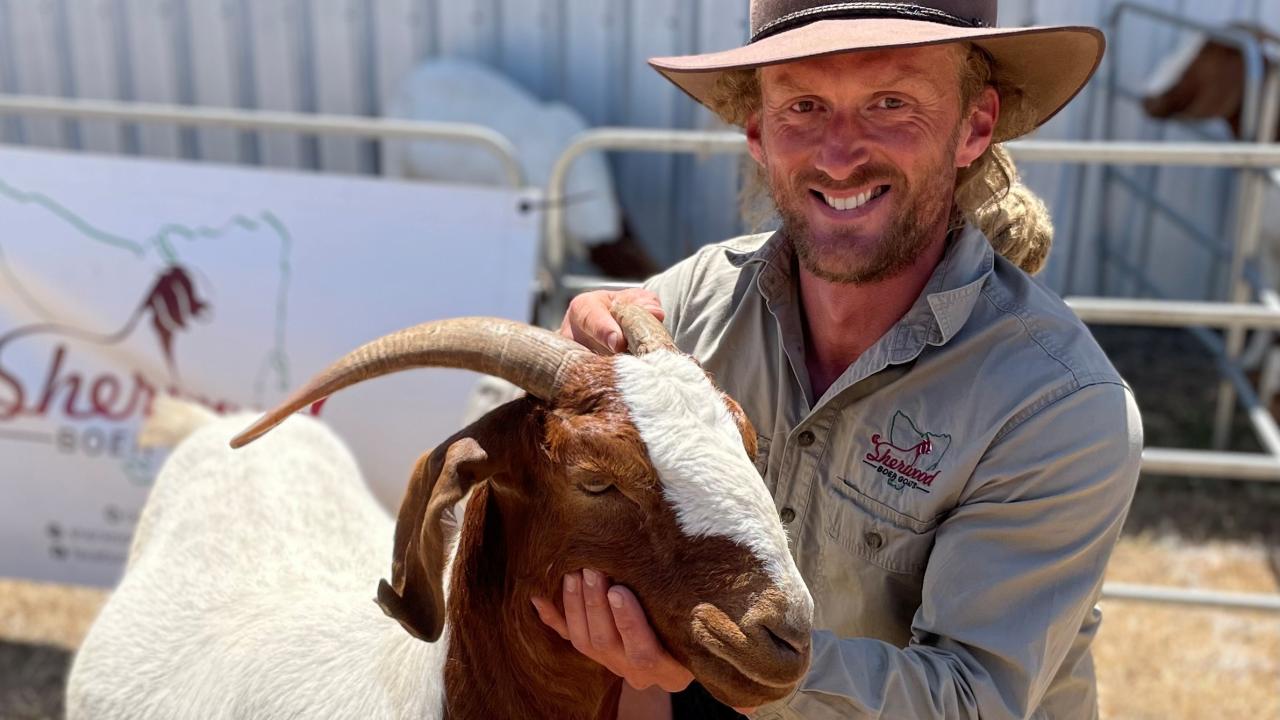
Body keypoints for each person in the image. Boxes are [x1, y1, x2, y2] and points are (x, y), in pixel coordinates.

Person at [532, 1, 1144, 718]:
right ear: (759, 132)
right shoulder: (693, 307)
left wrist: (709, 644)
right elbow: (514, 457)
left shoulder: (1057, 404)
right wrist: (566, 370)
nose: (838, 152)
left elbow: (969, 700)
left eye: (891, 102)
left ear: (974, 127)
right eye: (804, 105)